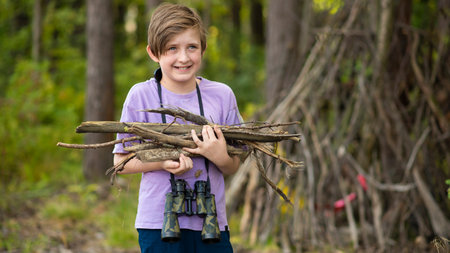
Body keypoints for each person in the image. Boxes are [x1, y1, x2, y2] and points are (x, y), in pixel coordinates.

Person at [113, 3, 242, 253]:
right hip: (158, 224)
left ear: (203, 48)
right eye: (172, 48)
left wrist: (220, 157)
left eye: (191, 47)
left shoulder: (222, 95)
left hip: (212, 223)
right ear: (153, 53)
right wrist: (161, 163)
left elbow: (234, 165)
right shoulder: (141, 96)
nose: (183, 58)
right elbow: (120, 162)